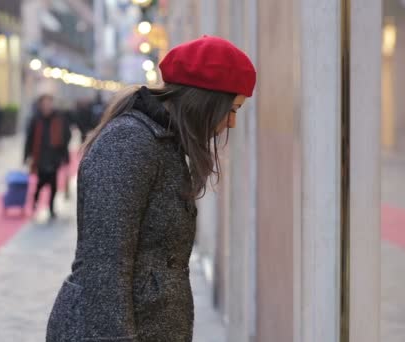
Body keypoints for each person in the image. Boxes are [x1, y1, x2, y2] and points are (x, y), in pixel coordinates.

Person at [46, 36, 256, 342]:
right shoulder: (129, 142)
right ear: (205, 102)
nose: (232, 123)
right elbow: (105, 264)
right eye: (232, 109)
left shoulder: (163, 144)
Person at [23, 94, 72, 220]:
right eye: (44, 103)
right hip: (40, 157)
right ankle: (35, 203)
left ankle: (51, 208)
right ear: (40, 105)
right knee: (40, 183)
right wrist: (26, 156)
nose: (47, 106)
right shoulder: (36, 119)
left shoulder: (59, 118)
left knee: (54, 185)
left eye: (49, 103)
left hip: (54, 157)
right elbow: (29, 138)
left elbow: (67, 135)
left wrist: (63, 154)